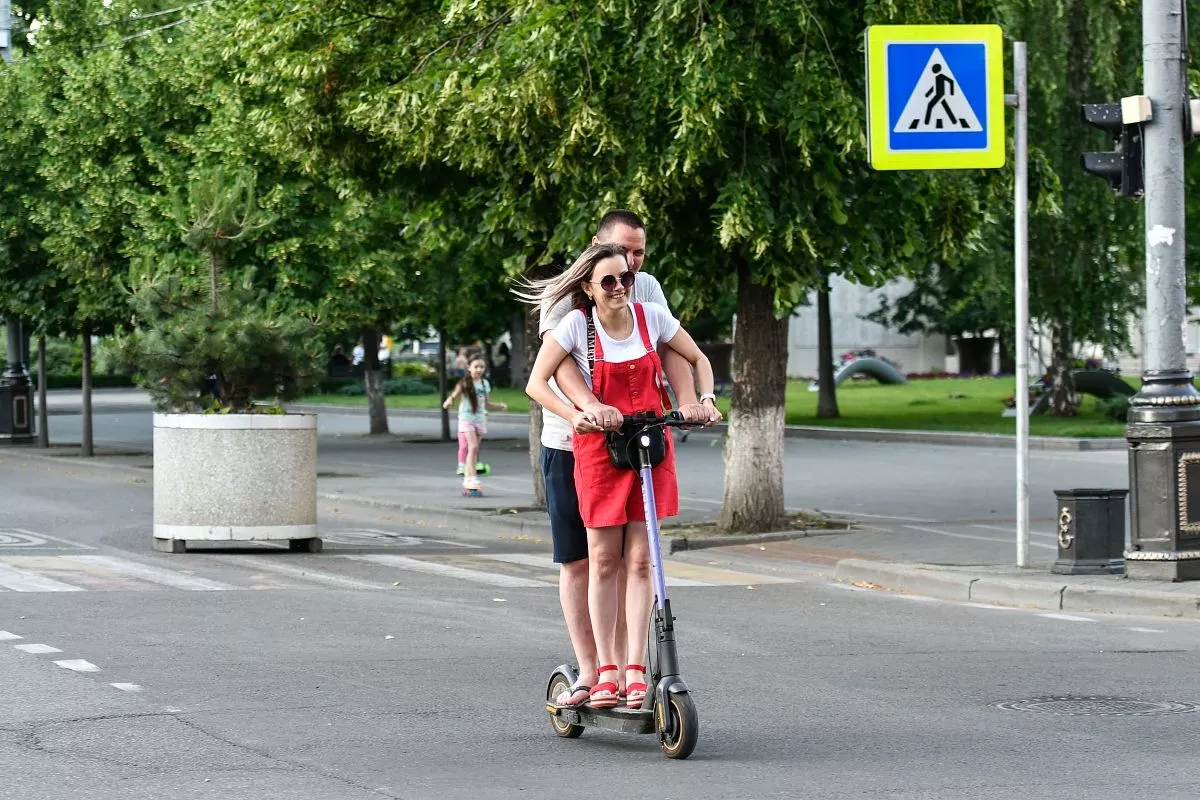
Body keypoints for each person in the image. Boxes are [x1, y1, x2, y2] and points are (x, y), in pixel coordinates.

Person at [524, 242, 721, 710]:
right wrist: (577, 414)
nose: (619, 288)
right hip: (600, 453)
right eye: (608, 281)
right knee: (603, 560)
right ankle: (605, 671)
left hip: (648, 447)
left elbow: (697, 359)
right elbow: (536, 383)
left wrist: (703, 401)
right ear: (589, 289)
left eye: (625, 279)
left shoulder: (651, 317)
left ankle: (636, 668)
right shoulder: (576, 325)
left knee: (641, 561)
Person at [442, 355, 507, 491]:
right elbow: (454, 395)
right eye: (476, 366)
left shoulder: (484, 384)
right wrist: (449, 401)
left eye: (481, 367)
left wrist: (499, 405)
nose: (479, 369)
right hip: (466, 418)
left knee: (475, 449)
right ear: (469, 368)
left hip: (480, 418)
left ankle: (469, 477)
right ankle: (471, 477)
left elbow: (487, 403)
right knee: (472, 447)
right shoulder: (464, 382)